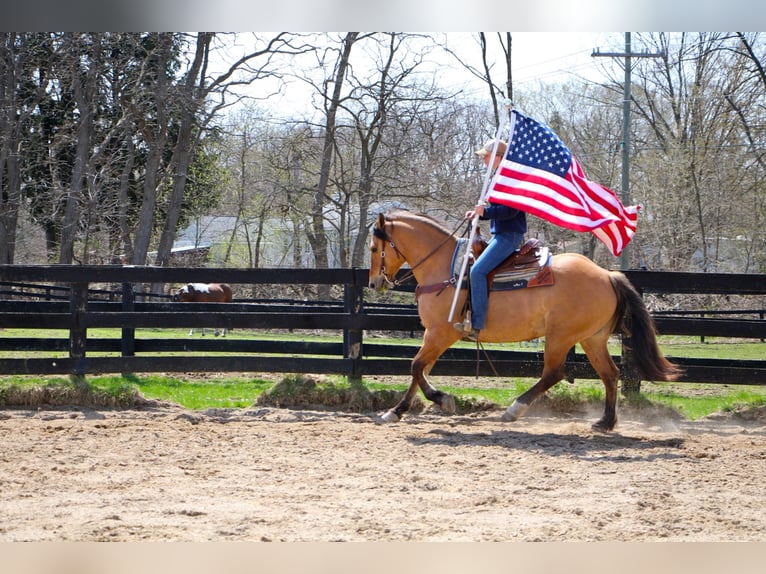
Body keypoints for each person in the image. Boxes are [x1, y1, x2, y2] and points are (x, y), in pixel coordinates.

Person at [454, 139, 527, 341]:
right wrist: (479, 214)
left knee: (477, 272)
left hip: (509, 236)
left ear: (499, 156)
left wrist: (485, 211)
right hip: (502, 234)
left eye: (486, 155)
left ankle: (477, 325)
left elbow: (511, 211)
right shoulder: (500, 178)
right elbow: (497, 212)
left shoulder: (510, 179)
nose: (484, 159)